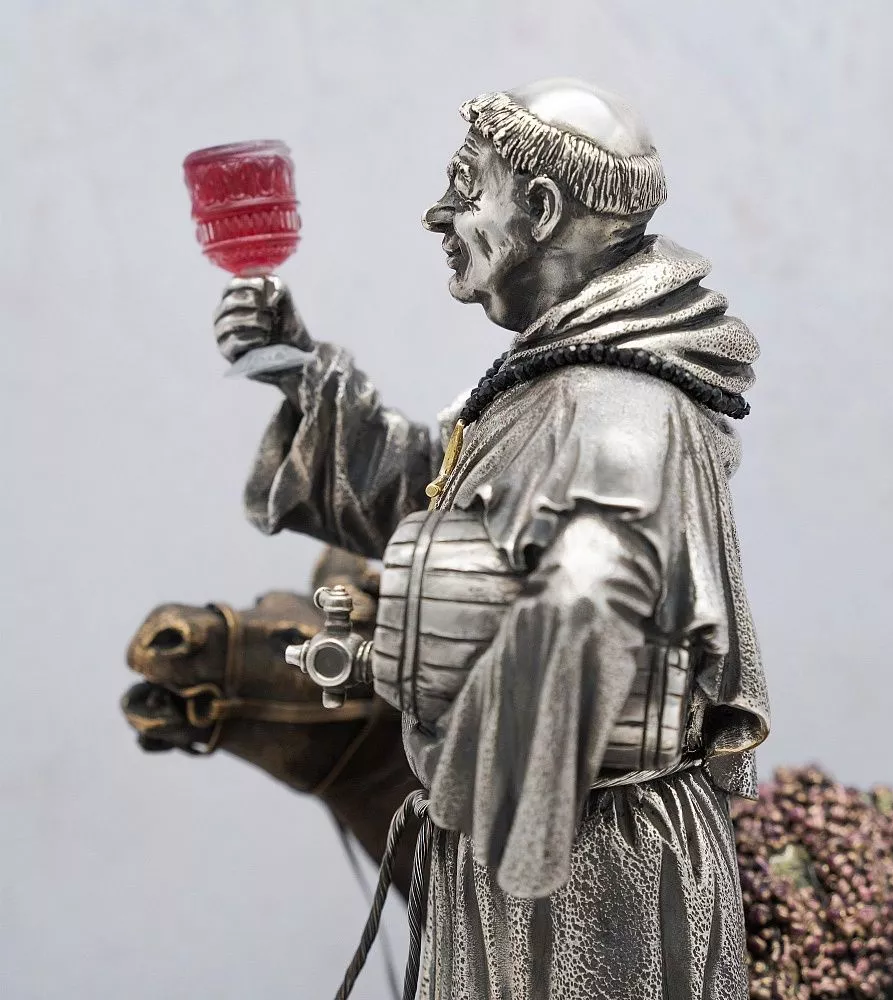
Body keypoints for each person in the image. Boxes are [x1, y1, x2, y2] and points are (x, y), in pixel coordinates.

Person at [214, 77, 770, 1000]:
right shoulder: (560, 374)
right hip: (531, 850)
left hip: (582, 868)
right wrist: (303, 378)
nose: (439, 213)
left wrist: (476, 781)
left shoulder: (619, 408)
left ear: (542, 209)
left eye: (466, 187)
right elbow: (444, 492)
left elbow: (593, 593)